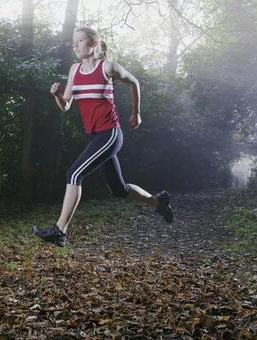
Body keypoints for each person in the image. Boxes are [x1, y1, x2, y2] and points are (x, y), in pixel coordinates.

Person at [33, 26, 173, 247]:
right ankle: (158, 203)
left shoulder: (107, 68)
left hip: (110, 134)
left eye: (79, 41)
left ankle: (60, 230)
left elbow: (134, 82)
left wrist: (136, 113)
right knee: (120, 190)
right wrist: (58, 95)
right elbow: (66, 106)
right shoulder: (74, 70)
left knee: (74, 173)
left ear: (93, 44)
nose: (75, 45)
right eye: (74, 41)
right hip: (95, 137)